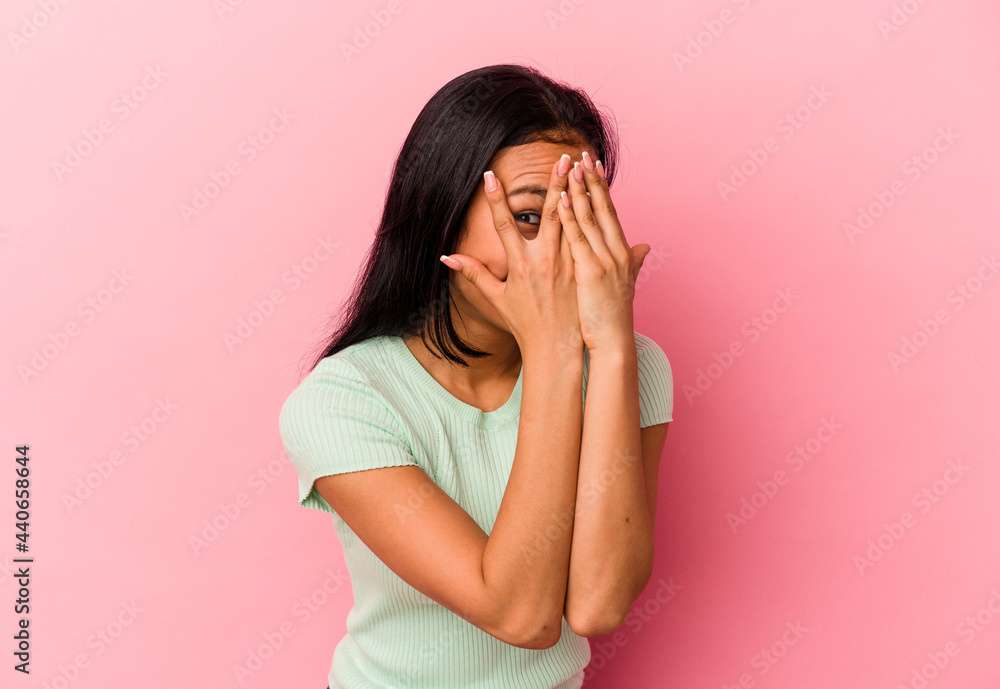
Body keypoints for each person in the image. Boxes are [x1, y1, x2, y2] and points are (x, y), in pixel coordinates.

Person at [278, 63, 674, 689]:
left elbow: (599, 604)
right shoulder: (342, 401)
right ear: (442, 214)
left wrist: (613, 345)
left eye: (583, 214)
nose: (560, 249)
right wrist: (554, 353)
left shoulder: (631, 365)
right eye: (526, 216)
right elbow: (519, 614)